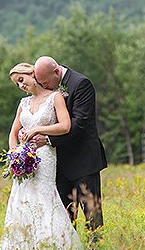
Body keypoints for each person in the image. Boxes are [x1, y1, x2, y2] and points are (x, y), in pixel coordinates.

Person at [0, 63, 91, 250]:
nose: (21, 86)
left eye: (21, 80)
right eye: (17, 84)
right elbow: (13, 133)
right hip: (25, 159)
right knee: (22, 201)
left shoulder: (55, 97)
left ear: (33, 74)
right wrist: (15, 153)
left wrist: (38, 129)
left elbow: (66, 126)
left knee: (46, 199)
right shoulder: (23, 103)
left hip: (46, 156)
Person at [26, 55, 108, 236]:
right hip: (59, 164)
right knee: (63, 214)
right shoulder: (48, 87)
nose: (45, 86)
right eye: (41, 83)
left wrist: (48, 139)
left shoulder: (81, 84)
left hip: (84, 161)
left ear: (56, 71)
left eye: (46, 82)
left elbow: (80, 123)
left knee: (92, 213)